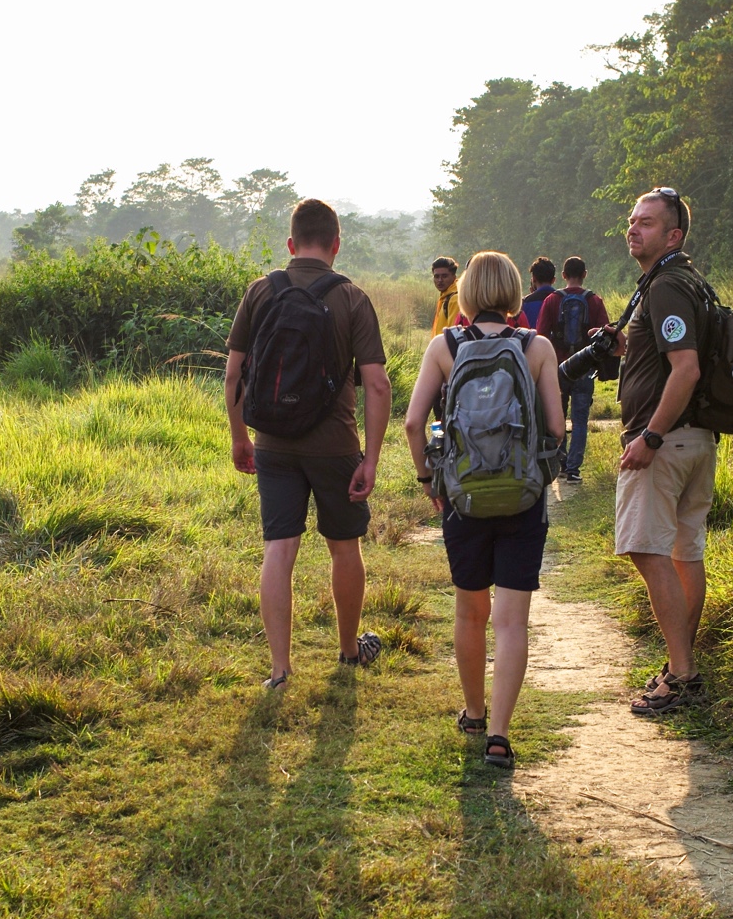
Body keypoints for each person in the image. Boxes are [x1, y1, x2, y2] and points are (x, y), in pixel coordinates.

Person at [403, 251, 565, 769]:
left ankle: (473, 713)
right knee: (512, 622)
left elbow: (412, 424)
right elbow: (558, 431)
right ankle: (499, 735)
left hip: (464, 499)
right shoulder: (536, 346)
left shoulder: (443, 346)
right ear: (516, 292)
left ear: (467, 293)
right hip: (523, 497)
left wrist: (431, 480)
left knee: (470, 613)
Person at [225, 199, 392, 690]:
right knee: (344, 547)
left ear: (291, 244)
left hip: (272, 442)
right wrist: (372, 459)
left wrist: (240, 436)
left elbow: (234, 372)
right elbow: (377, 385)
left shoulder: (260, 291)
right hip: (335, 445)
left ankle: (279, 669)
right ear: (336, 246)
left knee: (279, 548)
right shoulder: (352, 297)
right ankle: (347, 652)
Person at [613, 188, 713, 717]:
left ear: (673, 235)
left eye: (647, 223)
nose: (634, 229)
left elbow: (687, 368)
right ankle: (681, 664)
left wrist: (649, 437)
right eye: (632, 221)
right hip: (695, 439)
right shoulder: (685, 281)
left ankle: (681, 674)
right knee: (683, 552)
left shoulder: (668, 287)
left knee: (646, 553)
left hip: (665, 443)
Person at [534, 256, 615, 483]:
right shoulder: (594, 300)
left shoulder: (551, 300)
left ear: (563, 275)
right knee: (580, 420)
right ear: (585, 274)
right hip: (585, 368)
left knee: (556, 416)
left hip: (558, 369)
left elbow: (540, 335)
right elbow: (605, 335)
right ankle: (573, 470)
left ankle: (560, 463)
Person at [515, 256, 559, 332]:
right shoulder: (561, 299)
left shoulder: (524, 303)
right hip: (556, 343)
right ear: (553, 280)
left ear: (534, 279)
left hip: (532, 342)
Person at [428, 257, 462, 337]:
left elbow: (453, 334)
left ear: (454, 277)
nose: (440, 280)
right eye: (436, 276)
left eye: (444, 276)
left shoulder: (455, 298)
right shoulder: (446, 296)